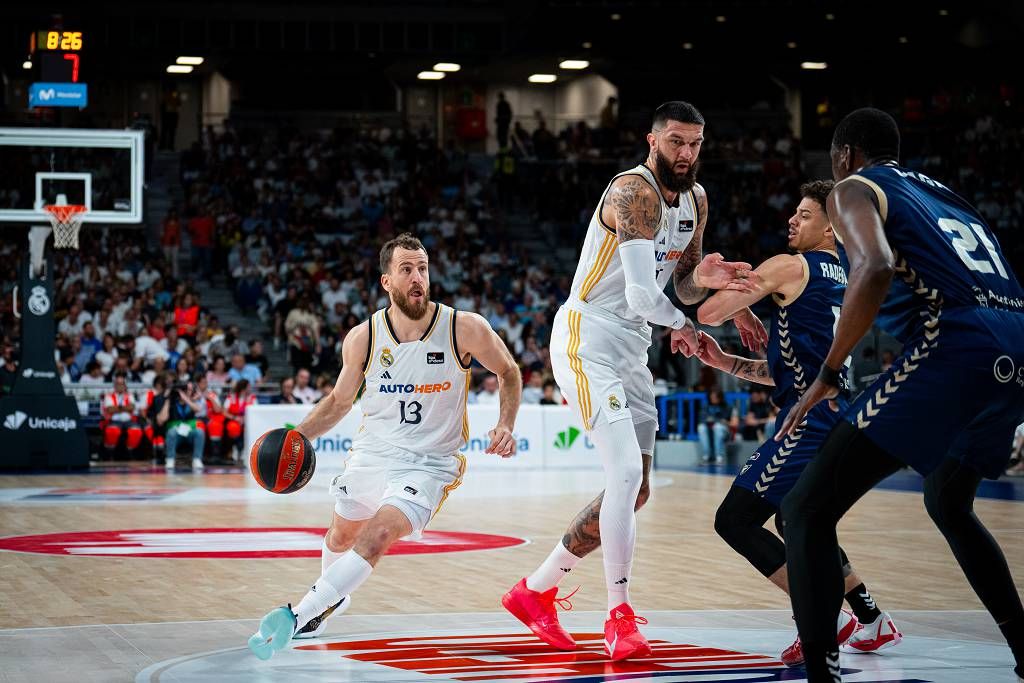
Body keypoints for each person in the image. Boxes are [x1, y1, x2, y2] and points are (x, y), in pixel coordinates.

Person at [501, 101, 767, 661]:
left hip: (631, 344)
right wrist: (688, 328)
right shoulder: (633, 191)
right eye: (676, 142)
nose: (686, 154)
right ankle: (618, 615)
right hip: (587, 335)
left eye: (695, 143)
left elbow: (683, 284)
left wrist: (713, 283)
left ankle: (535, 591)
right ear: (652, 141)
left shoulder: (695, 199)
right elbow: (647, 297)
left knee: (637, 488)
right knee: (622, 471)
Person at [776, 108, 1024, 682]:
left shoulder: (853, 188)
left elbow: (877, 266)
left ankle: (821, 674)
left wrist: (829, 371)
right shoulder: (946, 195)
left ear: (843, 156)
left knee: (805, 510)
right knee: (947, 500)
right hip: (1014, 342)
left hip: (956, 342)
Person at [248, 233, 522, 660]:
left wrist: (506, 422)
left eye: (423, 269)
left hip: (430, 464)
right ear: (386, 281)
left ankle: (299, 614)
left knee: (377, 535)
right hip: (372, 454)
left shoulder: (463, 327)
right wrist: (295, 437)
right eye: (407, 270)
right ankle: (331, 599)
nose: (418, 278)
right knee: (340, 536)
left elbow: (509, 371)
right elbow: (339, 401)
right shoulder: (363, 337)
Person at [694, 180, 901, 666]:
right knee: (797, 519)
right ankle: (870, 617)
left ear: (831, 226)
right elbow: (796, 370)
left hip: (808, 423)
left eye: (804, 215)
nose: (792, 219)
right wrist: (726, 362)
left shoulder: (791, 266)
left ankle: (821, 613)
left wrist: (713, 278)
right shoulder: (847, 274)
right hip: (839, 412)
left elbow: (708, 311)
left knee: (736, 520)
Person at [157, 379, 206, 471]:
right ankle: (170, 459)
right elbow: (161, 420)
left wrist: (186, 400)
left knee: (199, 432)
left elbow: (198, 409)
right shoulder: (171, 403)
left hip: (189, 432)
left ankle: (197, 459)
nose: (186, 392)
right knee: (172, 432)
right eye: (183, 390)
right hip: (176, 434)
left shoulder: (191, 402)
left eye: (187, 390)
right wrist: (168, 400)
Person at [101, 371, 144, 460]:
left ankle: (130, 453)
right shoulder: (109, 396)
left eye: (122, 384)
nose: (120, 386)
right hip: (114, 420)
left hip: (129, 420)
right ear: (114, 385)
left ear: (125, 385)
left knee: (136, 431)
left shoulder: (130, 395)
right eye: (118, 384)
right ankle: (110, 454)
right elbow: (110, 409)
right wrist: (125, 408)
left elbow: (132, 407)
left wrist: (118, 408)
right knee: (112, 431)